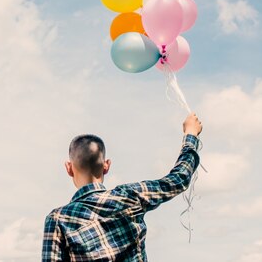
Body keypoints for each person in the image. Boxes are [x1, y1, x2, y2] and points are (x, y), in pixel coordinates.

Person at [42, 112, 202, 261]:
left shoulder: (57, 220)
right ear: (106, 165)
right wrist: (191, 134)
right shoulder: (130, 196)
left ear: (69, 168)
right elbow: (178, 179)